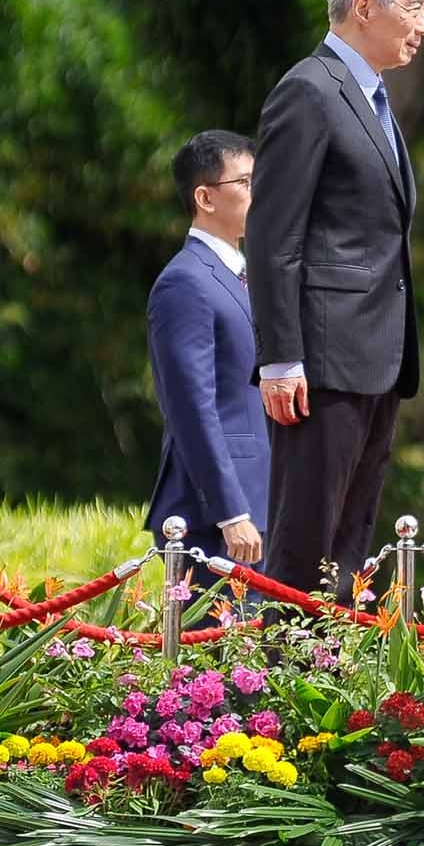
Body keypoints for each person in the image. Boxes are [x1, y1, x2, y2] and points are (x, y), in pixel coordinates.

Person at [246, 0, 424, 599]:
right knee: (303, 543)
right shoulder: (309, 89)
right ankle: (273, 691)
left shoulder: (373, 96)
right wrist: (280, 357)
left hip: (377, 354)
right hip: (319, 361)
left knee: (347, 548)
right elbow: (272, 236)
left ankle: (331, 680)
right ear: (363, 7)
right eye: (413, 8)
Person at [145, 131, 269, 592]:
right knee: (216, 660)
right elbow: (191, 408)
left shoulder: (243, 273)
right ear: (205, 197)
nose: (261, 193)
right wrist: (229, 511)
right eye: (247, 182)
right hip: (214, 518)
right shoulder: (185, 283)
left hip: (261, 501)